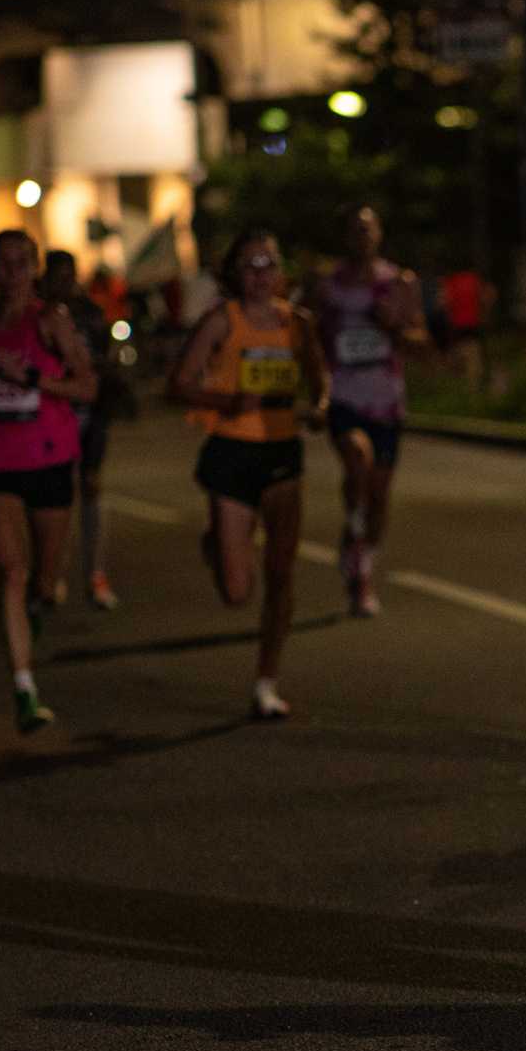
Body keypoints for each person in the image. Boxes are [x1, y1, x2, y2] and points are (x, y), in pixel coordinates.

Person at [0, 231, 97, 733]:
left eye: (21, 264)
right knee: (10, 571)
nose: (12, 274)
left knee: (44, 585)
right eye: (3, 265)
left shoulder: (50, 322)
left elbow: (88, 385)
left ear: (34, 270)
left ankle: (40, 596)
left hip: (48, 456)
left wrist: (32, 380)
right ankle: (25, 690)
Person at [171, 228, 326, 721]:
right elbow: (181, 383)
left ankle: (266, 682)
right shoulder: (221, 321)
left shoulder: (298, 324)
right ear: (234, 274)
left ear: (282, 273)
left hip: (282, 452)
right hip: (232, 453)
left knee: (282, 573)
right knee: (238, 594)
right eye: (250, 266)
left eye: (269, 265)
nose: (260, 276)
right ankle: (216, 542)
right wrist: (226, 401)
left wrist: (319, 407)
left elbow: (320, 376)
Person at [305, 204, 429, 617]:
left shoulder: (398, 282)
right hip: (343, 395)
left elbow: (420, 341)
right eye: (355, 230)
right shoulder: (327, 285)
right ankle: (356, 549)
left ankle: (363, 559)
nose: (363, 237)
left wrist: (391, 326)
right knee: (357, 460)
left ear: (380, 235)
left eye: (370, 229)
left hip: (387, 399)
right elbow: (307, 337)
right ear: (343, 237)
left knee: (380, 493)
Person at [40, 250, 122, 610]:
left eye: (69, 276)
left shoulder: (90, 312)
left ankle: (96, 574)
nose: (64, 284)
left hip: (88, 414)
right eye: (56, 277)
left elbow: (106, 355)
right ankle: (50, 574)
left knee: (91, 486)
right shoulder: (37, 316)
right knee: (54, 496)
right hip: (51, 415)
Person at [439, 264, 492, 383]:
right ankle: (473, 386)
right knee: (473, 356)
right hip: (473, 323)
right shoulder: (475, 280)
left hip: (456, 324)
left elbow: (443, 302)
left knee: (457, 356)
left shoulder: (451, 281)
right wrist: (484, 314)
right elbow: (488, 296)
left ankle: (463, 387)